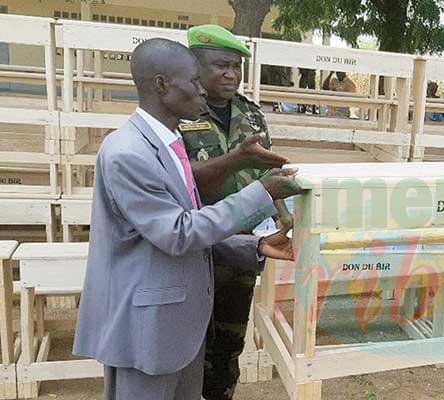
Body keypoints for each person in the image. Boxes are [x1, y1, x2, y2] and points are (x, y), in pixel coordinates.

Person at [72, 38, 305, 400]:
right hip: (147, 331)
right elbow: (177, 233)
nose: (202, 91)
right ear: (162, 85)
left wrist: (254, 245)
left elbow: (183, 224)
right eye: (194, 81)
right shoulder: (128, 153)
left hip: (179, 328)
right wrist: (263, 193)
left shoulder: (168, 144)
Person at [180, 24, 292, 400]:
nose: (230, 74)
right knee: (187, 343)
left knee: (229, 342)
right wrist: (234, 160)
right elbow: (182, 181)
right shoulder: (178, 115)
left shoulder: (252, 114)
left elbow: (266, 172)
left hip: (244, 245)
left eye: (236, 66)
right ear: (196, 66)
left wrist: (284, 218)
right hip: (193, 243)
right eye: (220, 65)